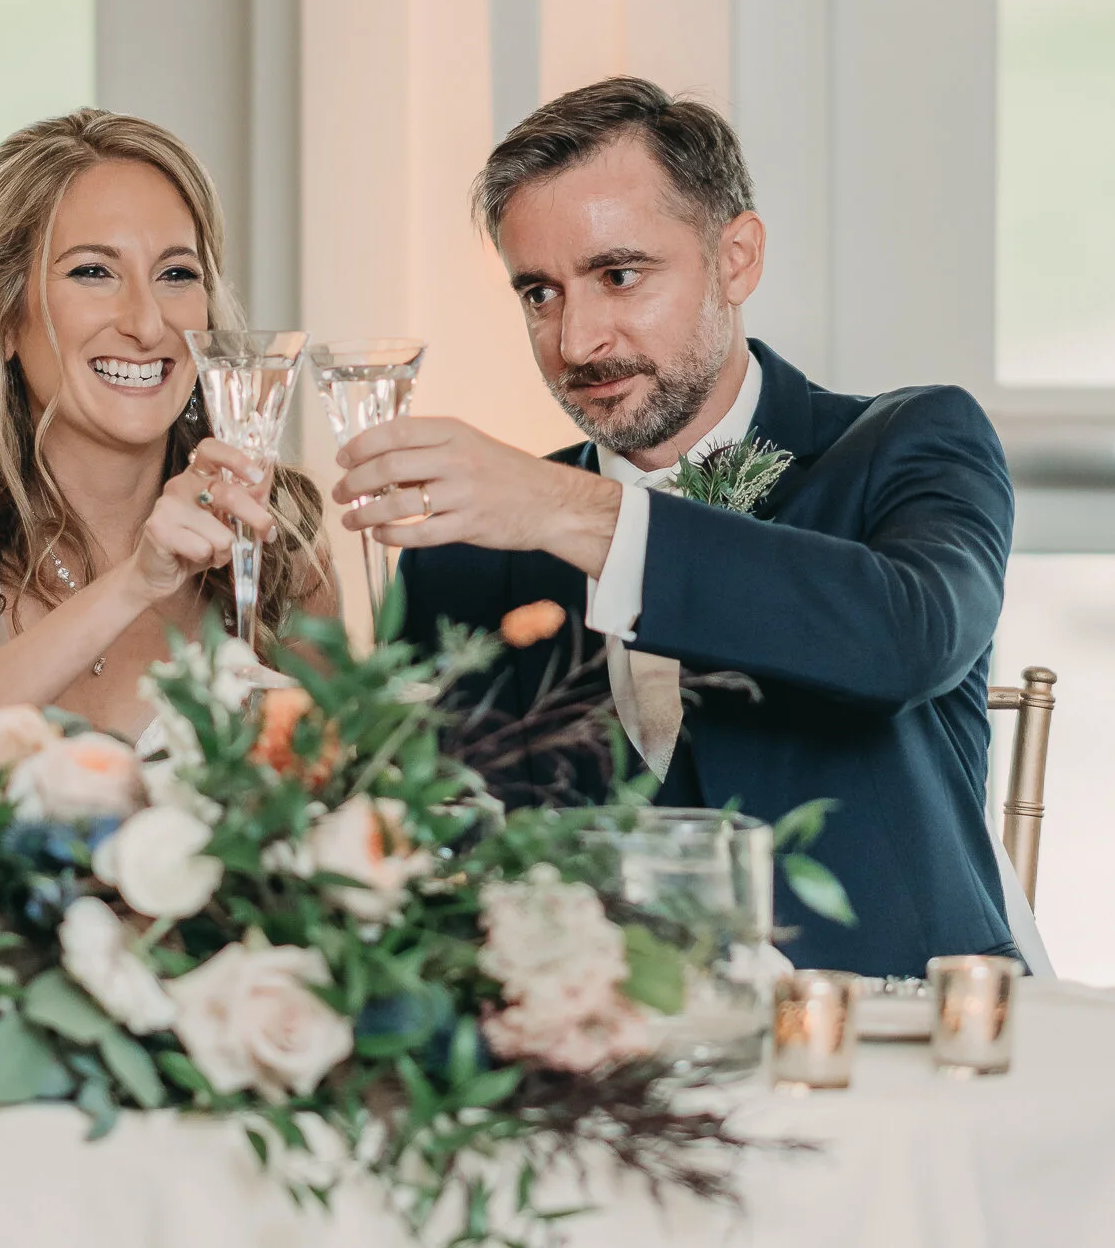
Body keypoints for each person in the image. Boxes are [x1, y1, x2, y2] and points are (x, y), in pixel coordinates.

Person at [334, 78, 1016, 976]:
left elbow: (906, 638)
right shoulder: (462, 554)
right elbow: (426, 848)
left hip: (903, 1030)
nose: (576, 341)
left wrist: (569, 511)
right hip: (599, 1051)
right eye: (539, 294)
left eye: (619, 276)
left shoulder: (912, 442)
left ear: (736, 259)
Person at [0, 109, 335, 743]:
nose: (147, 324)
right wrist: (133, 585)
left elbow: (344, 786)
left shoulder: (281, 547)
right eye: (93, 272)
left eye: (176, 274)